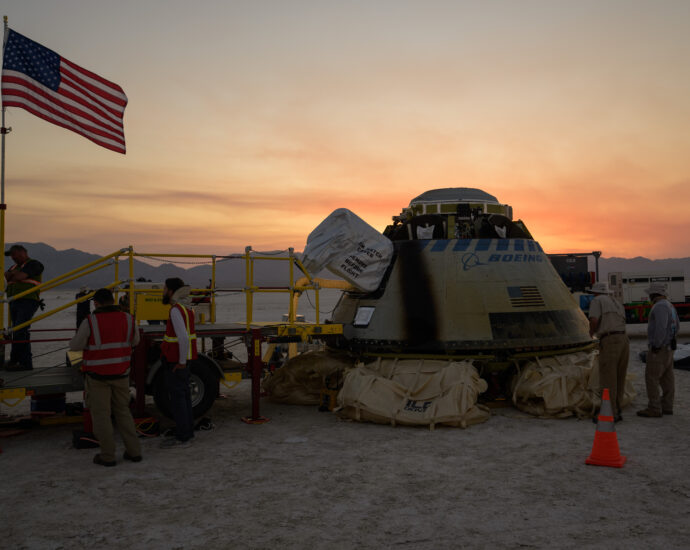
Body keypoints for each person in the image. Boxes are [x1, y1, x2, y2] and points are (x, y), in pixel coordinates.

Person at [70, 288, 142, 466]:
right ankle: (134, 452)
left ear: (96, 303)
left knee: (101, 416)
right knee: (123, 412)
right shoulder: (128, 318)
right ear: (112, 300)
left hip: (97, 377)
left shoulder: (91, 321)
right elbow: (135, 342)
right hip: (121, 374)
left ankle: (108, 456)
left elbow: (76, 345)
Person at [159, 277, 197, 449]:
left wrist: (180, 362)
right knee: (185, 398)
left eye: (165, 288)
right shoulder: (187, 309)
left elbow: (182, 337)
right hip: (184, 360)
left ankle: (183, 436)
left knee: (178, 400)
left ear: (171, 291)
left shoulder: (176, 310)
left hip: (176, 361)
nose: (163, 291)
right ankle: (188, 432)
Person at [637, 282, 680, 418]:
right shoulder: (670, 306)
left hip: (660, 349)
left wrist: (656, 345)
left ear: (653, 294)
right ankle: (667, 406)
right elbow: (677, 326)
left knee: (652, 378)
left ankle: (654, 408)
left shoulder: (659, 306)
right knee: (667, 379)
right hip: (669, 347)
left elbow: (660, 328)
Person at [588, 281, 629, 422]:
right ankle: (617, 410)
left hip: (610, 340)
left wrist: (591, 334)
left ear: (596, 293)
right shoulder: (617, 302)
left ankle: (608, 414)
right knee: (619, 377)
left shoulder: (597, 300)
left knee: (607, 378)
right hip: (624, 340)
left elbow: (594, 320)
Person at [4, 244, 44, 371]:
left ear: (22, 253)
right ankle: (24, 362)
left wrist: (12, 275)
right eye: (11, 256)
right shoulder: (14, 267)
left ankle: (17, 361)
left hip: (27, 300)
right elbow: (4, 277)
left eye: (14, 255)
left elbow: (18, 277)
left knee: (20, 330)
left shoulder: (34, 264)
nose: (12, 258)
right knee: (20, 332)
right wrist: (12, 273)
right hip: (14, 301)